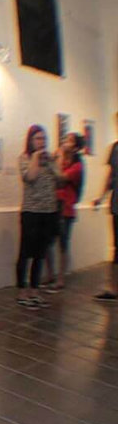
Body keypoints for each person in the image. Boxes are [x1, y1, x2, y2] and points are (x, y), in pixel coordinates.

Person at [15, 125, 60, 310]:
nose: (42, 142)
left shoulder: (49, 160)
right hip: (31, 212)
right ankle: (22, 292)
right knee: (25, 253)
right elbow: (30, 177)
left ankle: (35, 290)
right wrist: (35, 158)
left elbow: (61, 178)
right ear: (30, 140)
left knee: (40, 254)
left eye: (44, 138)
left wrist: (54, 162)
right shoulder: (24, 158)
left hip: (49, 212)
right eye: (38, 138)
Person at [44, 132, 85, 292]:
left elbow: (60, 177)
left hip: (66, 208)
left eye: (69, 140)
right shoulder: (59, 157)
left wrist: (59, 156)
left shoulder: (77, 166)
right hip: (53, 204)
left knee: (63, 244)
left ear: (75, 147)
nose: (64, 142)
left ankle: (60, 278)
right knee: (47, 242)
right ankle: (50, 274)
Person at [92, 117, 118, 302]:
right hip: (116, 205)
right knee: (116, 248)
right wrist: (100, 197)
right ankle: (113, 289)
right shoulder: (115, 148)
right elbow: (111, 177)